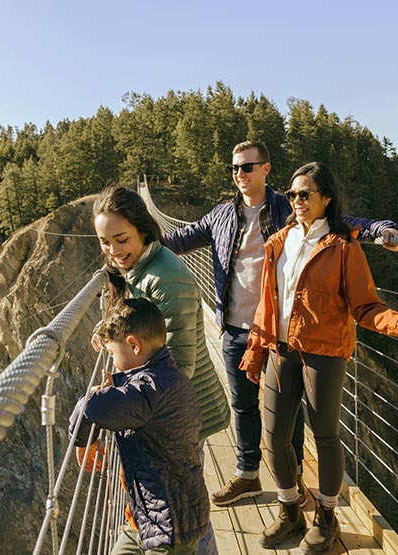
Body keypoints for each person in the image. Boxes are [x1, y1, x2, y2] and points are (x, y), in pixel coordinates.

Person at [163, 141, 398, 507]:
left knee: (285, 416)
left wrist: (381, 230)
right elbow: (179, 240)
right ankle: (248, 475)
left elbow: (341, 224)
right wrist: (134, 249)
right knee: (243, 406)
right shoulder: (220, 215)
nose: (239, 175)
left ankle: (291, 482)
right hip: (234, 327)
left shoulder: (287, 208)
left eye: (247, 167)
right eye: (234, 169)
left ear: (266, 169)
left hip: (279, 331)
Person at [239, 161, 398, 553]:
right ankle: (290, 510)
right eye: (292, 194)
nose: (296, 201)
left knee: (325, 436)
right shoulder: (279, 241)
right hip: (281, 350)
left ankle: (326, 517)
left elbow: (366, 306)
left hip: (324, 354)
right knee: (275, 438)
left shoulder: (344, 247)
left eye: (305, 194)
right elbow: (267, 303)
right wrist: (257, 348)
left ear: (326, 199)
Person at [92, 186, 230, 554]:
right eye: (104, 242)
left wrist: (123, 402)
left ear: (144, 231)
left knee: (183, 516)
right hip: (167, 409)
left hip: (180, 412)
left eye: (121, 239)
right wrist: (107, 332)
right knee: (185, 512)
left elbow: (180, 367)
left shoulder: (167, 278)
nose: (113, 251)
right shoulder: (139, 267)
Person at [69, 297, 210, 554]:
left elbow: (92, 407)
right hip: (147, 519)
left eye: (112, 353)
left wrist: (84, 442)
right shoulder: (166, 376)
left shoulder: (148, 390)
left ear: (133, 345)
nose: (111, 363)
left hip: (170, 527)